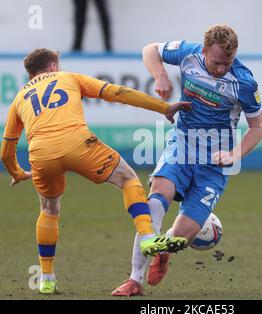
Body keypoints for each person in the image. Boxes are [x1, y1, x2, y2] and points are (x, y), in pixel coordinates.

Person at [0, 48, 192, 295]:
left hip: (41, 153)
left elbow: (6, 150)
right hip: (78, 143)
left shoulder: (19, 98)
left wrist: (16, 173)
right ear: (52, 67)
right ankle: (147, 237)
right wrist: (162, 107)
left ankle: (47, 278)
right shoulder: (68, 77)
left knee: (48, 210)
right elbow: (117, 93)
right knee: (128, 179)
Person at [111, 24, 262, 296]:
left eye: (227, 63)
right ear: (204, 50)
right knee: (156, 201)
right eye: (217, 62)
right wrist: (160, 76)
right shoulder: (187, 53)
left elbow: (258, 127)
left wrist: (234, 154)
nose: (221, 68)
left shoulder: (244, 82)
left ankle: (164, 251)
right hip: (182, 145)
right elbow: (150, 50)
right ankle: (135, 280)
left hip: (214, 165)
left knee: (181, 239)